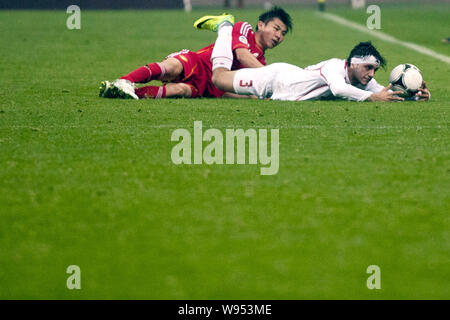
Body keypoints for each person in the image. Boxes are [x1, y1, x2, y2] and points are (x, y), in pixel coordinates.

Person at [209, 18, 430, 102]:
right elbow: (338, 89)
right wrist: (371, 98)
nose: (371, 74)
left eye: (374, 70)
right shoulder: (334, 67)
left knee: (221, 85)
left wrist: (416, 97)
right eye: (368, 68)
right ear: (353, 63)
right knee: (218, 78)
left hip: (280, 89)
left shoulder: (364, 81)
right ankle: (225, 26)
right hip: (274, 78)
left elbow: (385, 94)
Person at [99, 7, 292, 100]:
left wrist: (261, 96)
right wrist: (270, 77)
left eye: (283, 33)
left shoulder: (261, 62)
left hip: (207, 86)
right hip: (197, 62)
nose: (278, 36)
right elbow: (242, 55)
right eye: (276, 28)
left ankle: (122, 94)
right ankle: (124, 81)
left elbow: (234, 91)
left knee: (178, 90)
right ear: (261, 24)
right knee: (171, 68)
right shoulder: (245, 29)